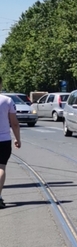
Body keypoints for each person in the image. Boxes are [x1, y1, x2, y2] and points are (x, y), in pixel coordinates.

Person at [0, 77, 21, 208]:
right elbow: (14, 123)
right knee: (1, 167)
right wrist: (18, 139)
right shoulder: (7, 100)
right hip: (3, 140)